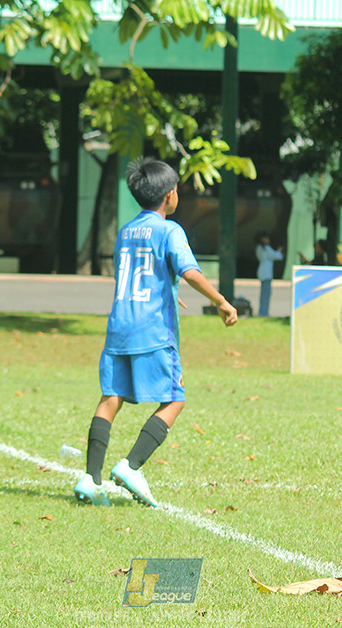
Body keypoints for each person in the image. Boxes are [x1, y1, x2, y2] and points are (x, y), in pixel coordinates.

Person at [73, 157, 239, 508]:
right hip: (152, 331)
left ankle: (90, 478)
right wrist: (221, 301)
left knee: (111, 398)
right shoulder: (170, 230)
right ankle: (131, 466)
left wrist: (168, 292)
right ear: (168, 195)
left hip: (119, 326)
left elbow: (135, 275)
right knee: (175, 398)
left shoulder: (126, 231)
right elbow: (189, 271)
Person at [255, 231, 283, 317]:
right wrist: (279, 251)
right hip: (266, 273)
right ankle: (264, 313)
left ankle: (262, 311)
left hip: (262, 272)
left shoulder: (259, 248)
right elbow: (277, 256)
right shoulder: (266, 248)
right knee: (266, 294)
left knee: (264, 293)